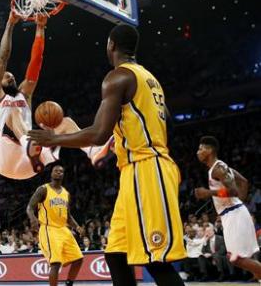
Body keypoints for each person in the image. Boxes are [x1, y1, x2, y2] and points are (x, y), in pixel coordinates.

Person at [28, 24, 186, 286]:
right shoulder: (149, 79)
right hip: (135, 170)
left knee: (155, 260)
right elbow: (167, 121)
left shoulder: (117, 77)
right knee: (116, 254)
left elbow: (99, 133)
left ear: (111, 44)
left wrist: (54, 138)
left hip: (146, 168)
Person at [0, 11, 113, 180]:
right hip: (4, 160)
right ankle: (29, 144)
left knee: (65, 122)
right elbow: (3, 57)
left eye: (12, 76)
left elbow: (36, 62)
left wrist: (40, 27)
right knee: (13, 111)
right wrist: (10, 24)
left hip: (28, 166)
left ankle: (93, 151)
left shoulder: (25, 95)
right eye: (7, 76)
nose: (11, 76)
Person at [195, 135, 261, 279]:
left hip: (233, 214)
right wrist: (240, 204)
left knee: (236, 258)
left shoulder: (217, 169)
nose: (197, 152)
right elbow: (243, 181)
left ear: (209, 150)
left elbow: (233, 190)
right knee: (241, 258)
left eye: (200, 149)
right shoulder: (220, 167)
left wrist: (209, 193)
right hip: (234, 212)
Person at [27, 165, 84, 286]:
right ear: (51, 174)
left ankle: (69, 283)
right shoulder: (43, 189)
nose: (59, 173)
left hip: (63, 229)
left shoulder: (66, 194)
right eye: (56, 171)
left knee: (79, 259)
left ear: (63, 175)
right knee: (55, 263)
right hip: (49, 229)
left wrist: (77, 227)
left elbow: (68, 216)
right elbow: (29, 207)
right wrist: (33, 219)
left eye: (61, 171)